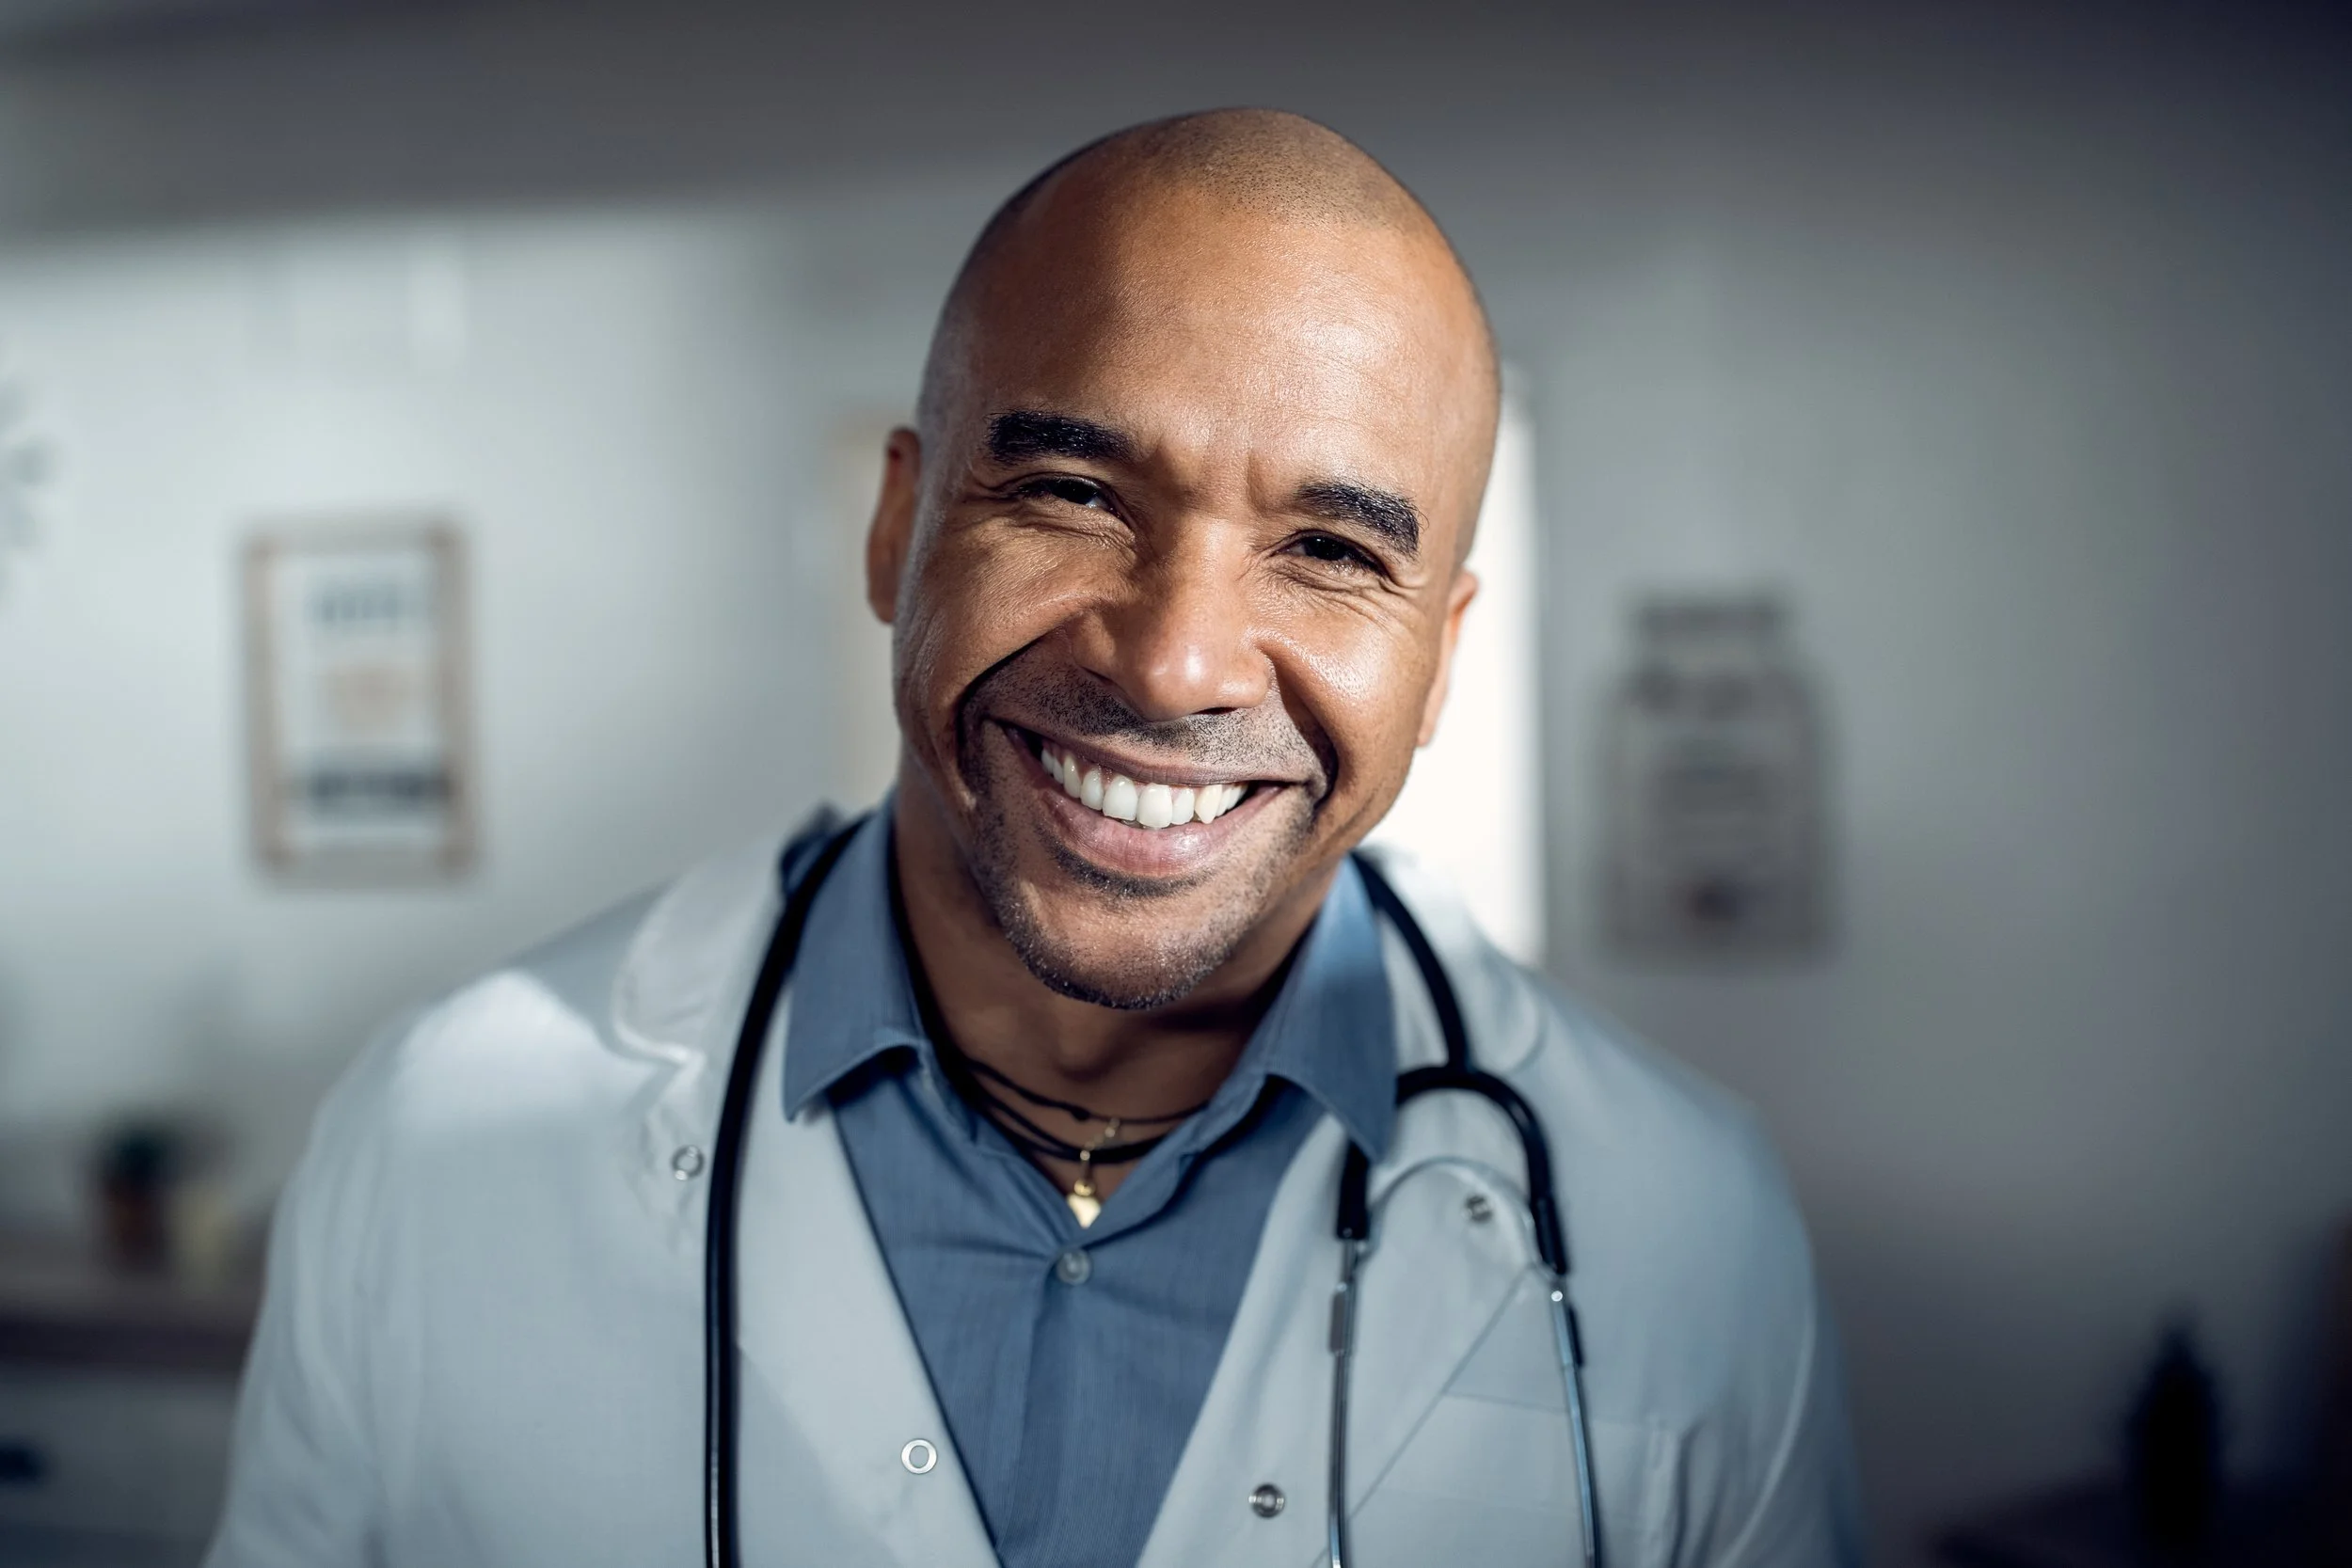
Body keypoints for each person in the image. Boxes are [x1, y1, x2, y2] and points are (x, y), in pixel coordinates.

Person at [206, 109, 1862, 1568]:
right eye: (1074, 493)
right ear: (894, 527)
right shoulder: (437, 1143)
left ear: (1439, 656)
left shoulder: (1678, 1224)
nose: (1175, 660)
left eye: (1333, 553)